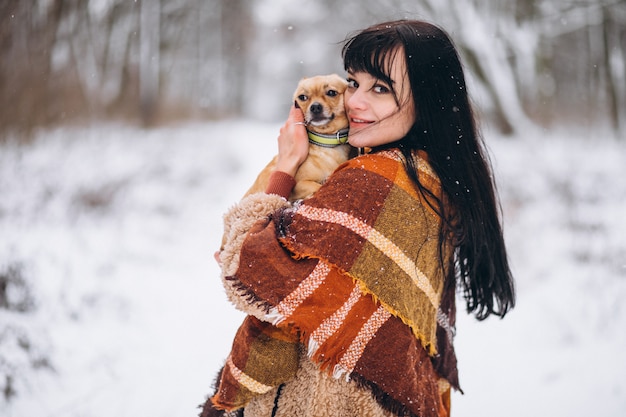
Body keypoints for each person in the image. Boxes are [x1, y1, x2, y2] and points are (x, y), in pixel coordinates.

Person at [200, 19, 515, 417]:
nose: (354, 102)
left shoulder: (376, 183)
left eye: (380, 89)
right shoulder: (432, 176)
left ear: (428, 99)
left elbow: (248, 267)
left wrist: (286, 166)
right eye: (353, 82)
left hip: (329, 401)